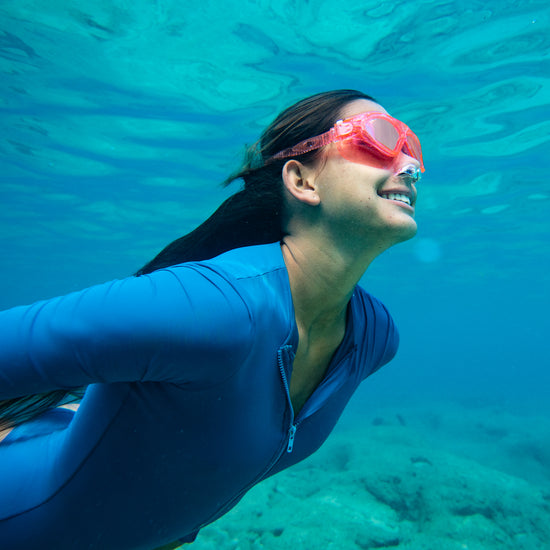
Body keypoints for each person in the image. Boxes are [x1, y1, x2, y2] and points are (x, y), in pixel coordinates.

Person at [0, 89, 424, 550]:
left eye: (411, 147)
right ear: (302, 180)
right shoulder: (218, 308)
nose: (409, 165)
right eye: (379, 139)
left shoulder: (373, 338)